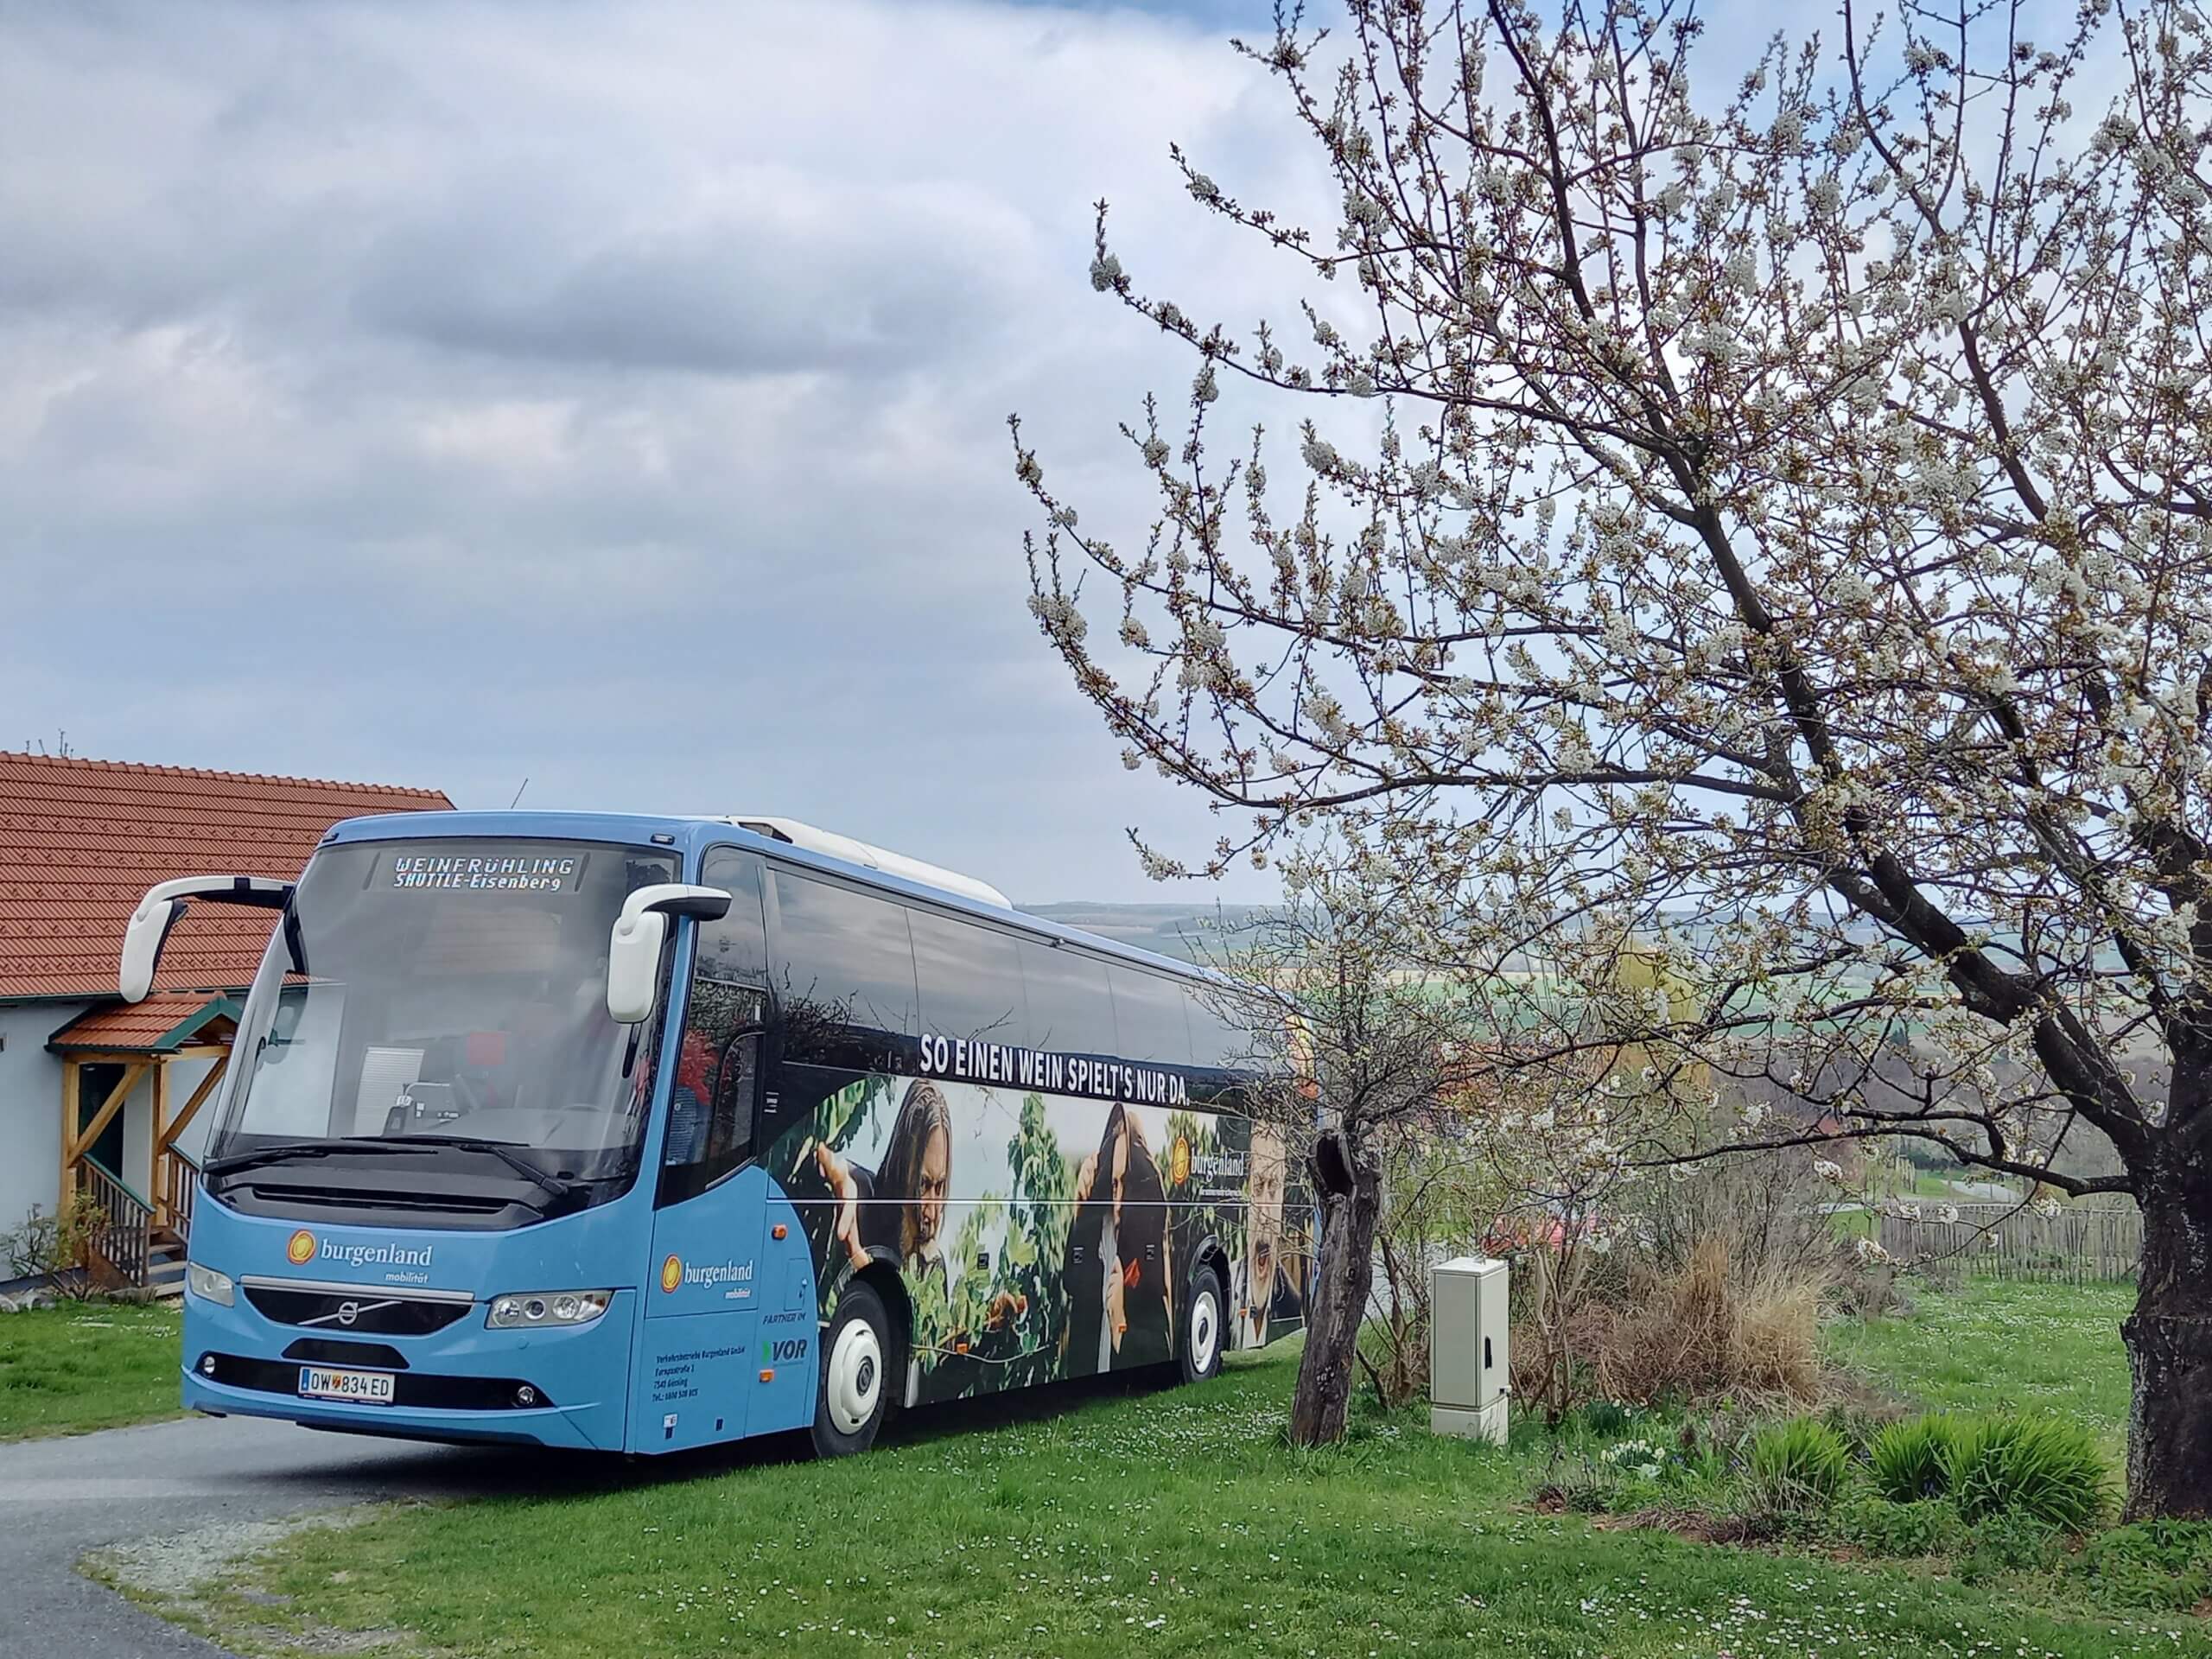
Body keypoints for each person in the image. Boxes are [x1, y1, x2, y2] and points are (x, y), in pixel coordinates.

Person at [1065, 1104, 1174, 1372]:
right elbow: (1071, 1282)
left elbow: (1161, 1346)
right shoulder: (1097, 1229)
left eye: (1126, 1183)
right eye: (1114, 1185)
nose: (1118, 1201)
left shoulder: (1145, 1250)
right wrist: (1080, 1212)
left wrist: (1120, 1326)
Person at [812, 1078, 954, 1281]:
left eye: (940, 1187)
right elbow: (830, 1164)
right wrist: (832, 1169)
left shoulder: (934, 1268)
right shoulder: (864, 1200)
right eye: (922, 1185)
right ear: (900, 1170)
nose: (932, 1212)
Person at [1230, 1122, 1303, 1348]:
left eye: (1274, 1189)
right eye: (1258, 1187)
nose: (1264, 1215)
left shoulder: (1292, 1301)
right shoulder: (1231, 1279)